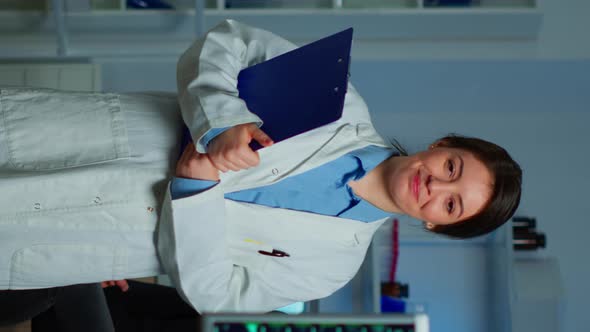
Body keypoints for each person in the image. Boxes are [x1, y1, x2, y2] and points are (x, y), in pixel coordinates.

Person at [0, 19, 522, 314]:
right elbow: (225, 43)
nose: (435, 185)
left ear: (436, 223)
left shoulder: (330, 268)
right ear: (442, 144)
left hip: (80, 238)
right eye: (452, 167)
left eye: (451, 204)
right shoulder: (339, 102)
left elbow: (214, 293)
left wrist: (195, 192)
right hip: (72, 135)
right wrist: (220, 122)